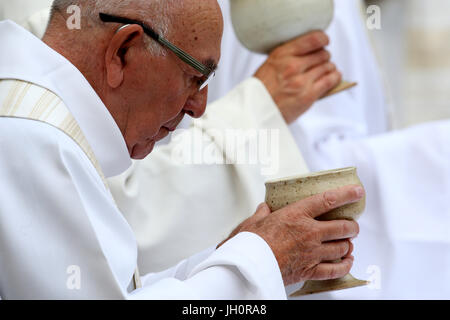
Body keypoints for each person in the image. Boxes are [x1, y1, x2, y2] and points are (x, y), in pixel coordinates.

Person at [0, 0, 363, 299]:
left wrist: (237, 256)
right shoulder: (32, 137)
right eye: (196, 77)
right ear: (122, 51)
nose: (199, 107)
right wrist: (263, 259)